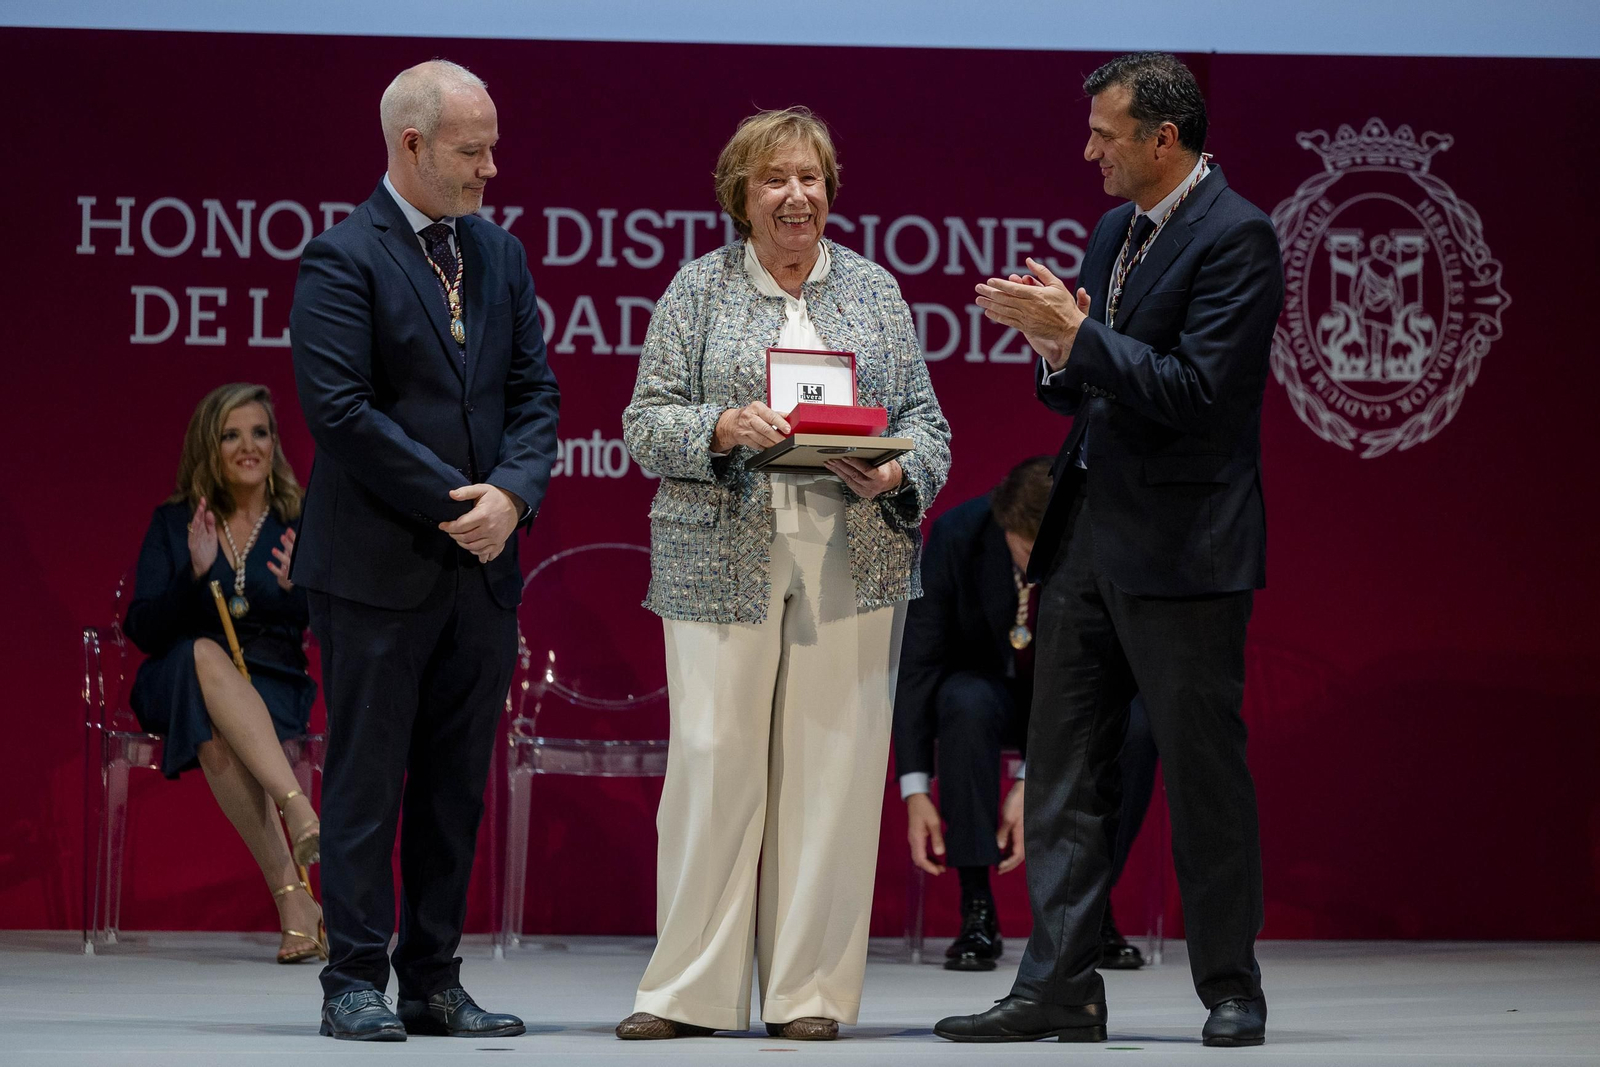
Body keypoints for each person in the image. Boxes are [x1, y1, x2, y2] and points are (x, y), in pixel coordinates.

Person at [937, 52, 1284, 1047]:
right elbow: (1087, 390)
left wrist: (1077, 336)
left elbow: (1196, 392)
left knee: (1201, 772)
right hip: (1087, 533)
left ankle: (1230, 984)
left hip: (1187, 547)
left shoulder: (1239, 236)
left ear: (1162, 138)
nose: (1088, 149)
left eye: (1105, 132)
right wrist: (1055, 343)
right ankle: (1059, 984)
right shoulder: (1110, 232)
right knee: (1059, 769)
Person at [616, 106, 950, 1042]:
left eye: (809, 178)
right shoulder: (697, 289)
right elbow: (645, 423)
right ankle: (686, 992)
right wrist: (720, 427)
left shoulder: (877, 292)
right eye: (774, 179)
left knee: (834, 777)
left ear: (830, 191)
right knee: (714, 767)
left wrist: (896, 470)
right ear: (742, 195)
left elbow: (930, 424)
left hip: (854, 549)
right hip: (721, 549)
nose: (795, 195)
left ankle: (809, 994)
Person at [289, 59, 560, 1042]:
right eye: (471, 149)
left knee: (454, 787)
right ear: (410, 145)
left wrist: (514, 494)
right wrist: (464, 502)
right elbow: (343, 415)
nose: (492, 166)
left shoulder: (499, 256)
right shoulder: (340, 258)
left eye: (489, 145)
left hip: (481, 572)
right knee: (365, 782)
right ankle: (352, 978)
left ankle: (434, 979)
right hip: (374, 569)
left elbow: (536, 398)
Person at [894, 456, 1156, 972]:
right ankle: (977, 908)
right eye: (1027, 550)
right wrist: (915, 787)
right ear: (1005, 524)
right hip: (988, 693)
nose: (1039, 564)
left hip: (1077, 700)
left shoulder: (1097, 544)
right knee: (962, 701)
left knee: (1140, 727)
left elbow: (1109, 669)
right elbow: (918, 665)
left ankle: (1092, 906)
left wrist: (1033, 777)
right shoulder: (957, 536)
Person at [125, 382, 323, 965]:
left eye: (259, 432)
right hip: (175, 675)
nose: (247, 446)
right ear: (209, 447)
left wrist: (298, 592)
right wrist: (196, 574)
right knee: (199, 657)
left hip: (272, 681)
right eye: (231, 435)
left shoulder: (299, 517)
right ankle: (295, 804)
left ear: (274, 443)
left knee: (214, 736)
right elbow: (143, 628)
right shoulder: (177, 521)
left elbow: (334, 622)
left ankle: (296, 907)